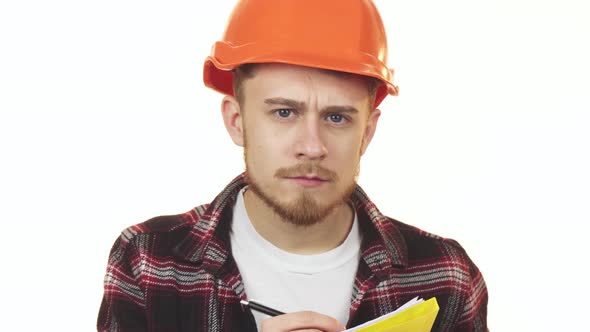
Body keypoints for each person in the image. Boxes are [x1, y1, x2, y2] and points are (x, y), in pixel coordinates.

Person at [97, 0, 488, 331]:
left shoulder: (445, 275)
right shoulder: (149, 262)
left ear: (367, 133)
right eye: (284, 112)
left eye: (337, 118)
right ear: (237, 121)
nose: (312, 147)